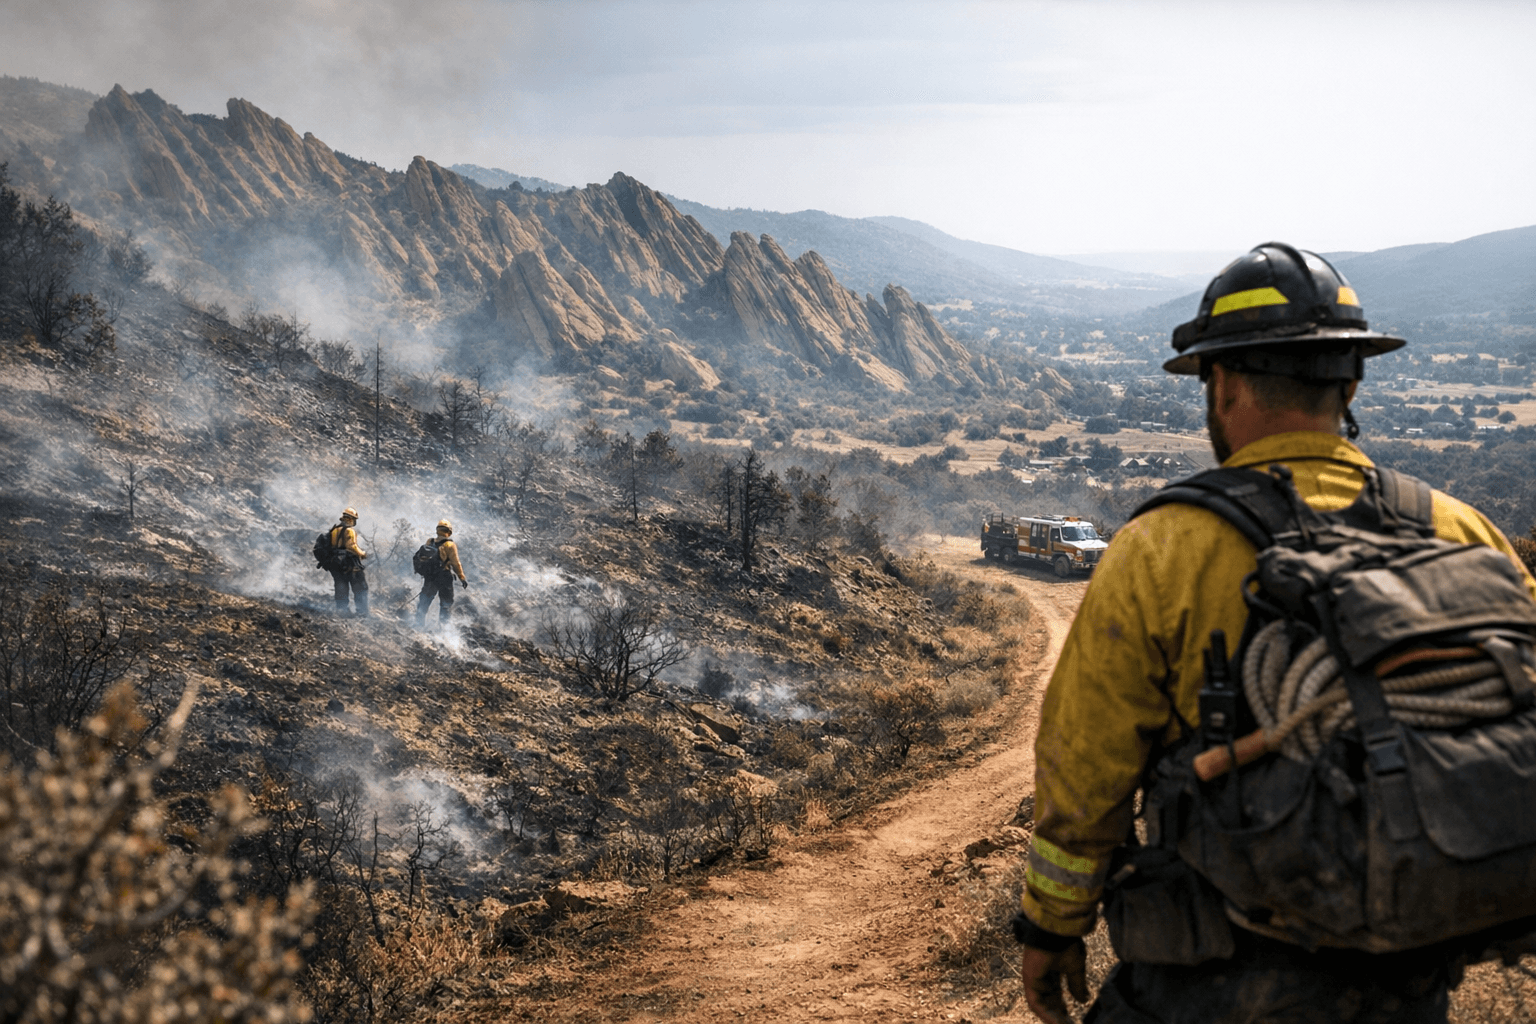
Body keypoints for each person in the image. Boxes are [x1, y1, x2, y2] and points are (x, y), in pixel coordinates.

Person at [1013, 243, 1536, 1024]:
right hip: (1411, 977)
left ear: (1220, 384)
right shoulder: (1463, 532)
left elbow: (1082, 774)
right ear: (1350, 380)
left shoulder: (1161, 549)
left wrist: (1050, 926)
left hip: (1213, 977)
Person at [416, 518, 468, 628]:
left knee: (424, 602)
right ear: (448, 531)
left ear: (437, 530)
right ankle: (443, 631)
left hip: (430, 577)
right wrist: (462, 578)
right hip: (444, 577)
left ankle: (417, 627)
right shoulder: (450, 545)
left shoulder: (429, 541)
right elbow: (455, 563)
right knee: (446, 604)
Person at [326, 507, 370, 617]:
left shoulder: (334, 530)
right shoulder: (349, 530)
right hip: (350, 563)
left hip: (336, 563)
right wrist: (362, 553)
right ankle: (362, 612)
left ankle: (342, 610)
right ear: (350, 519)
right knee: (360, 587)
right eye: (354, 519)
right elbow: (352, 546)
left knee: (341, 586)